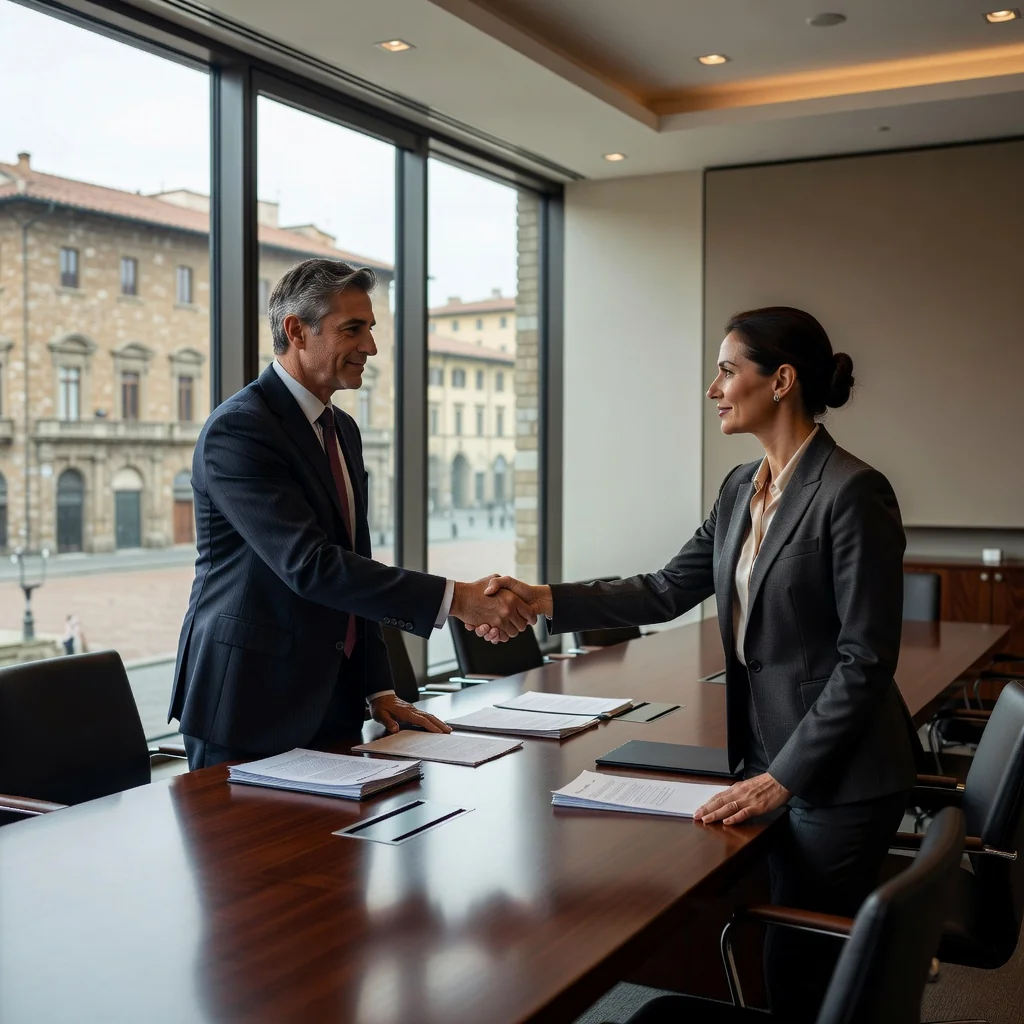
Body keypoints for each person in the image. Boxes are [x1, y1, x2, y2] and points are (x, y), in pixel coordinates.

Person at [478, 307, 918, 1020]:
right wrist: (544, 597)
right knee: (784, 960)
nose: (713, 387)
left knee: (803, 975)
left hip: (840, 778)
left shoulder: (851, 492)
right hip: (768, 757)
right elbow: (662, 589)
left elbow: (865, 660)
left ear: (780, 380)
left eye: (726, 369)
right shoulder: (741, 488)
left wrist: (785, 778)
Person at [168, 258, 534, 771]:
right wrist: (458, 600)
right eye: (352, 329)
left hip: (334, 706)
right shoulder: (239, 430)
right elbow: (312, 566)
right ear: (296, 330)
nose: (371, 347)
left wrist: (378, 688)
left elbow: (353, 563)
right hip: (248, 708)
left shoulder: (344, 429)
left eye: (371, 329)